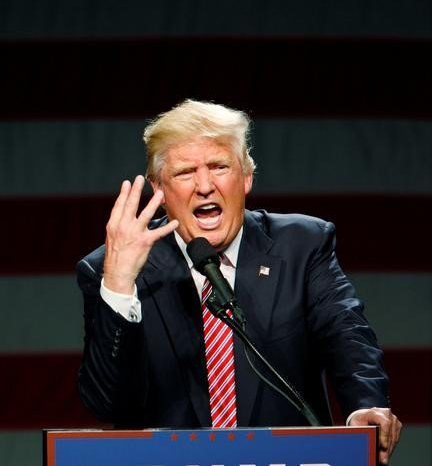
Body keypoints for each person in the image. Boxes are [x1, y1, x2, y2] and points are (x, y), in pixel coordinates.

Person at [76, 100, 402, 464]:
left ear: (246, 176)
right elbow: (108, 403)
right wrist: (119, 284)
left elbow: (348, 335)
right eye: (185, 172)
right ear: (159, 189)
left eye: (219, 166)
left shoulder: (302, 245)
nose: (205, 186)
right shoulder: (111, 269)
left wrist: (365, 405)